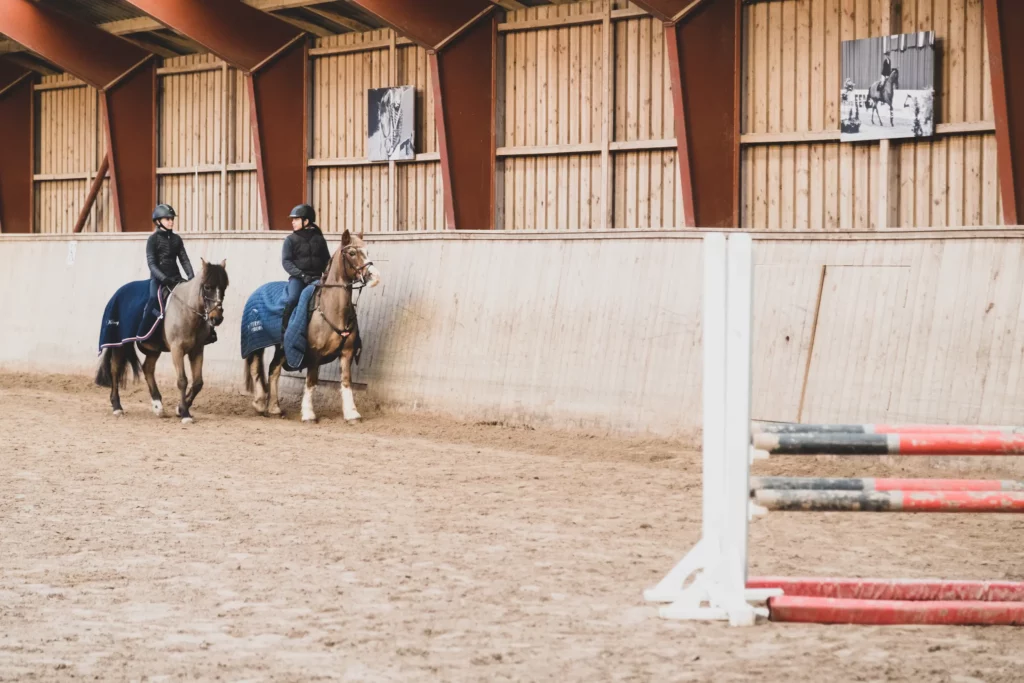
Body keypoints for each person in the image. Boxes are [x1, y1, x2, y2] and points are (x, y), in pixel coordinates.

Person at [281, 203, 330, 336]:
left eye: (296, 219)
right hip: (298, 279)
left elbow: (327, 260)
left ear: (306, 221)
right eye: (293, 220)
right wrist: (302, 275)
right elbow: (286, 262)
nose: (292, 222)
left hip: (317, 278)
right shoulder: (290, 240)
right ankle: (285, 332)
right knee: (292, 299)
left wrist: (326, 275)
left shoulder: (319, 239)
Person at [145, 203, 193, 319]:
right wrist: (163, 278)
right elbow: (151, 263)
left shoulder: (177, 239)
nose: (171, 221)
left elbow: (184, 260)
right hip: (158, 280)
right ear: (158, 221)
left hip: (175, 278)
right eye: (167, 219)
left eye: (172, 219)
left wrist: (191, 277)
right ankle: (144, 333)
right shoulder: (153, 240)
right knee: (152, 300)